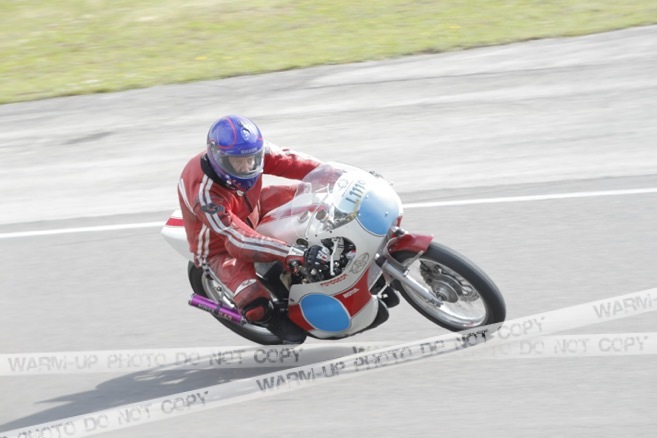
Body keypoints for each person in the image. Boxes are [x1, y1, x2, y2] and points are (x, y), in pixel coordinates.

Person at [177, 114, 330, 344]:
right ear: (218, 159)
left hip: (254, 208)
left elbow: (291, 161)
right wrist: (292, 253)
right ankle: (270, 319)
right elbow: (238, 240)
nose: (246, 167)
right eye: (237, 162)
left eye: (251, 159)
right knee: (255, 304)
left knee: (315, 194)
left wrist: (336, 173)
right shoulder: (205, 194)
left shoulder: (252, 152)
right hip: (221, 247)